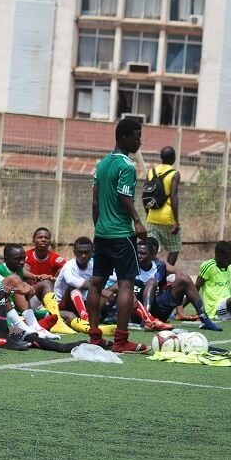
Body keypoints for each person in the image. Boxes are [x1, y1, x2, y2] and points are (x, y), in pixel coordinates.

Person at [87, 117, 149, 353]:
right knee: (126, 284)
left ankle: (95, 337)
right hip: (122, 235)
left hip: (102, 233)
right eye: (136, 136)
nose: (139, 141)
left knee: (96, 283)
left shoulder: (101, 165)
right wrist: (137, 221)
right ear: (123, 137)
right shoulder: (127, 166)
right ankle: (121, 341)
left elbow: (95, 202)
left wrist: (99, 228)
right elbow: (124, 197)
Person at [134, 239, 221, 331]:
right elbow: (119, 287)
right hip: (137, 311)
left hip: (158, 311)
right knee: (152, 282)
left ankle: (204, 318)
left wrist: (179, 310)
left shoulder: (160, 266)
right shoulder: (130, 267)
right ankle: (147, 319)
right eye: (137, 253)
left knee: (183, 278)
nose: (139, 256)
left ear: (152, 255)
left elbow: (164, 287)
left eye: (143, 253)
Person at [145, 146, 182, 266]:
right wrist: (176, 221)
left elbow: (145, 195)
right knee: (174, 248)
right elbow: (173, 196)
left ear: (161, 158)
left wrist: (148, 214)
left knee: (151, 248)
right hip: (168, 219)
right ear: (174, 158)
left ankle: (150, 271)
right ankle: (165, 274)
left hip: (152, 217)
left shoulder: (151, 172)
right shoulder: (174, 174)